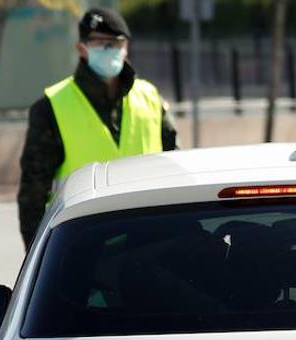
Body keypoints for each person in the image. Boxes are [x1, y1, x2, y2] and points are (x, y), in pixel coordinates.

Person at [17, 7, 178, 250]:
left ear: (126, 48)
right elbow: (33, 195)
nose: (108, 50)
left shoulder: (150, 98)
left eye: (115, 43)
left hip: (150, 241)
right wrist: (38, 258)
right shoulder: (51, 107)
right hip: (83, 247)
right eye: (100, 43)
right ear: (81, 49)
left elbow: (174, 167)